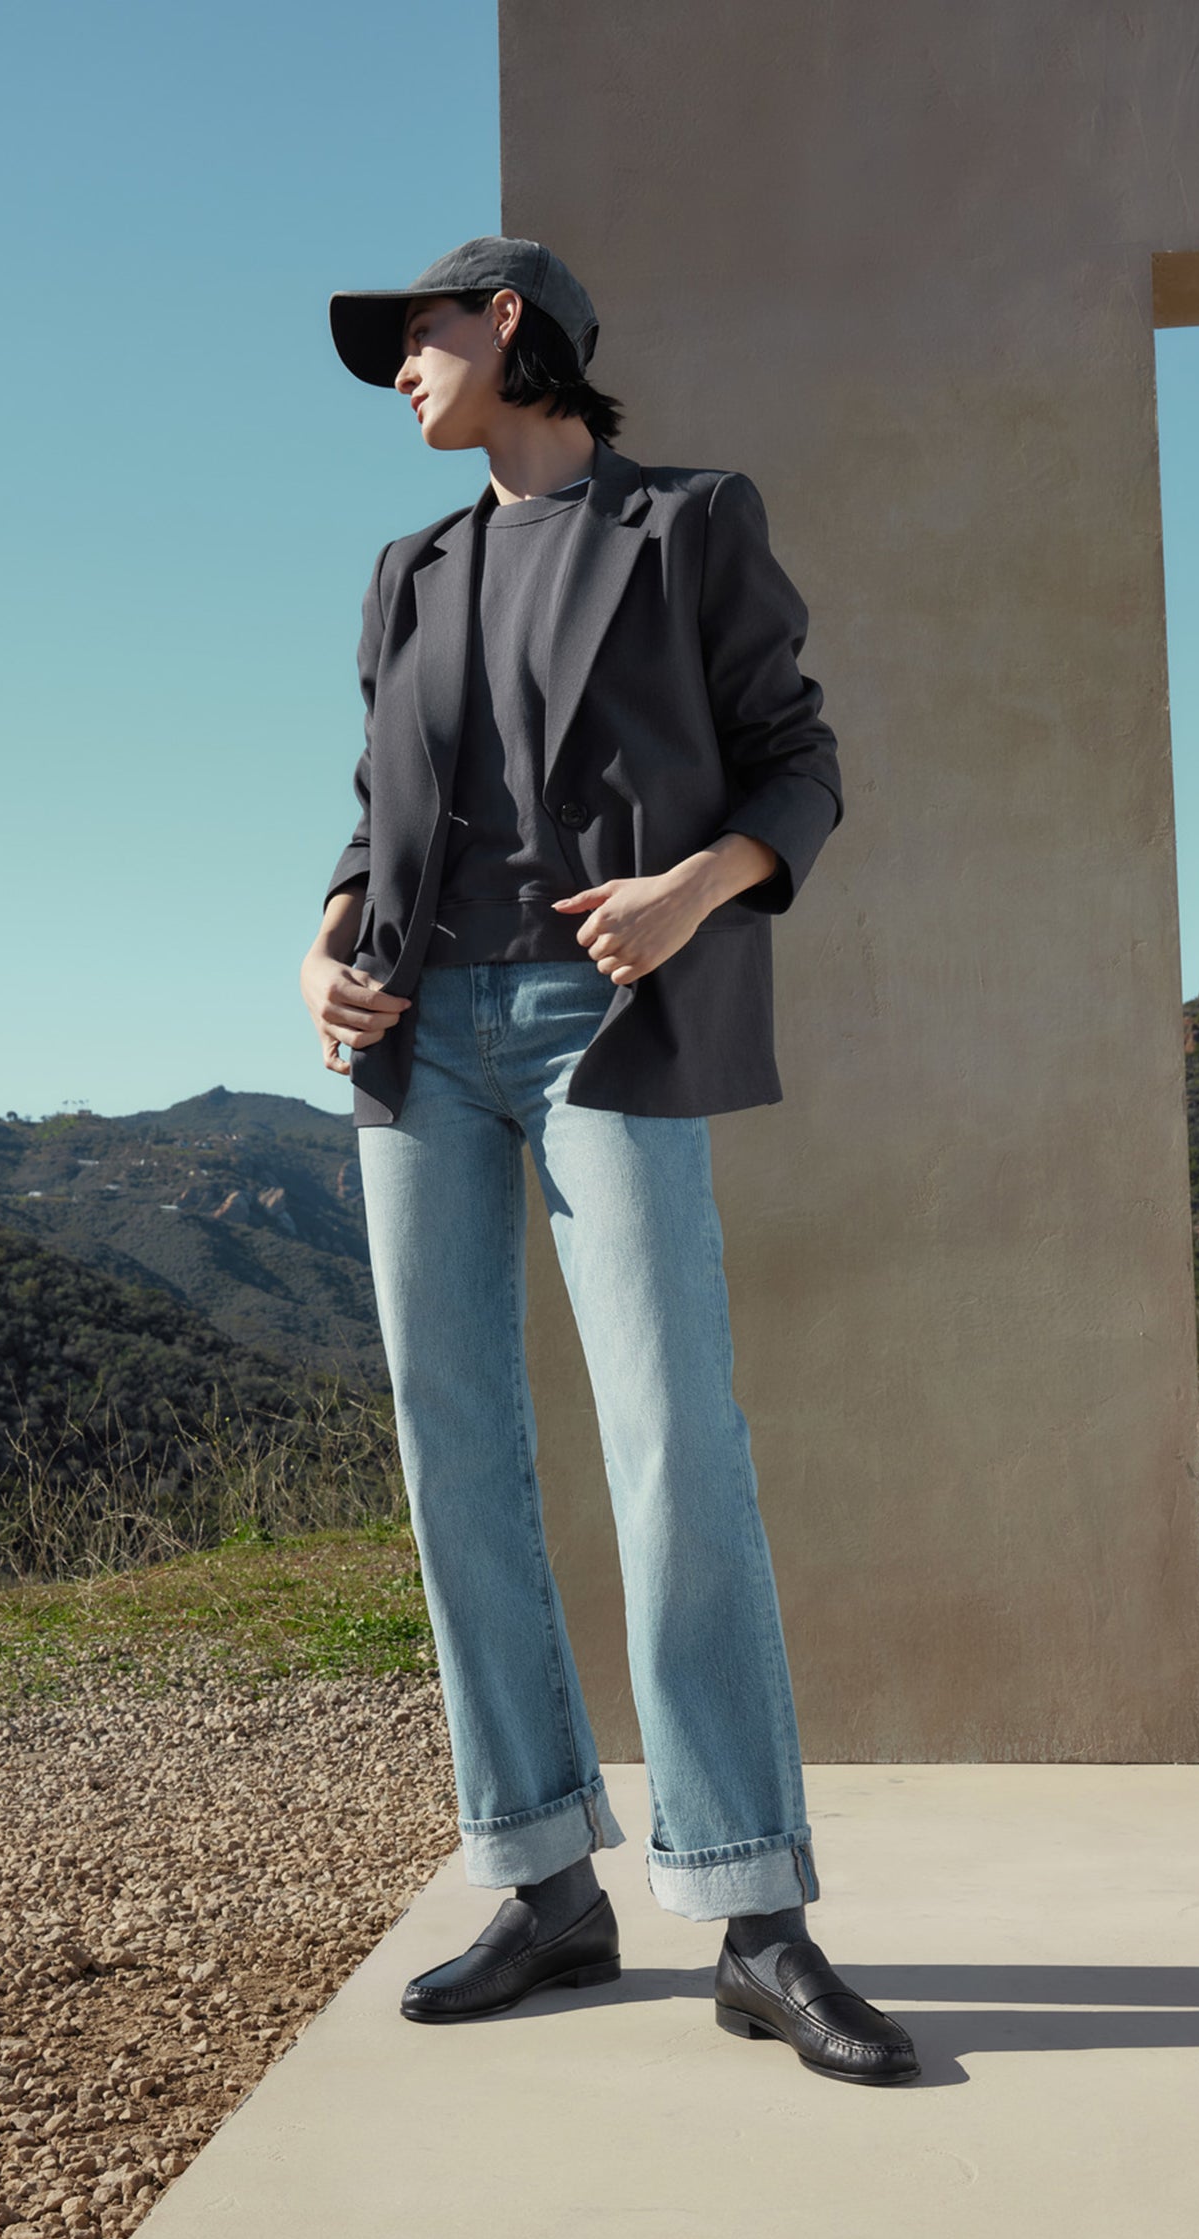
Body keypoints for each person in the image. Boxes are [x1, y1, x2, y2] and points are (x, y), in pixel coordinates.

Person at [301, 236, 919, 2085]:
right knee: (454, 1452)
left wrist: (691, 890)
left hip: (604, 1023)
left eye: (413, 336)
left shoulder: (690, 523)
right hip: (417, 1041)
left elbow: (798, 760)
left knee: (671, 1442)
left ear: (506, 325)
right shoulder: (408, 571)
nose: (396, 371)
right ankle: (544, 1877)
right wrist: (322, 936)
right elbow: (376, 812)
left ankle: (752, 1910)